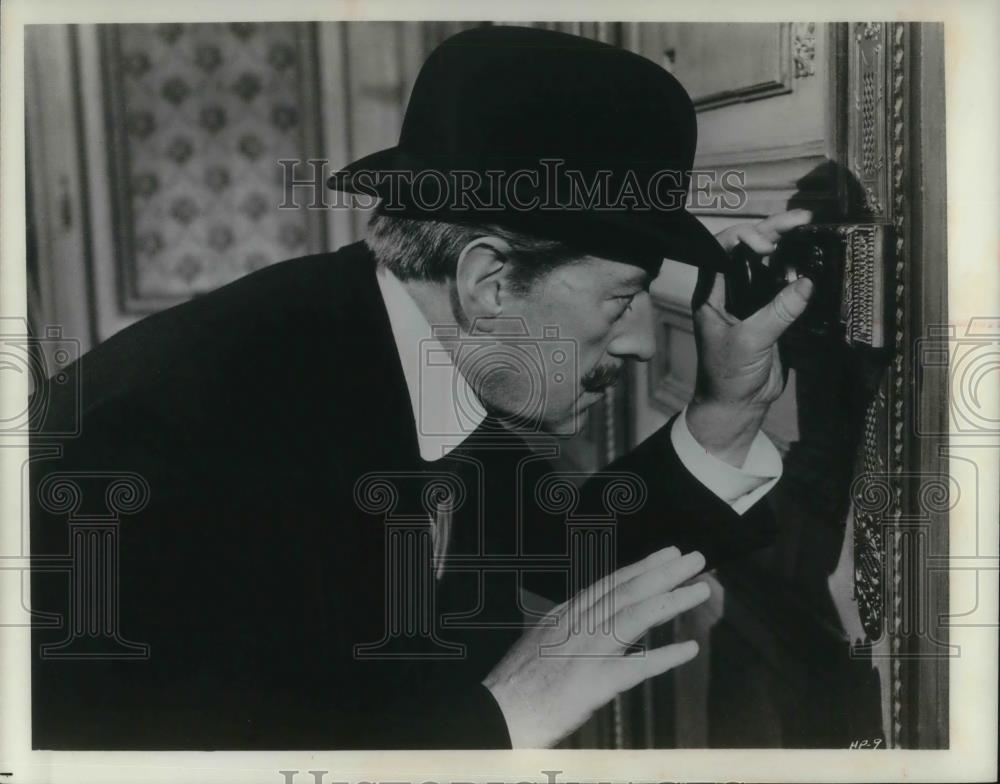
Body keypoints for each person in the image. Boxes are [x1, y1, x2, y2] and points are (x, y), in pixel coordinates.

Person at [30, 25, 814, 750]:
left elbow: (558, 550)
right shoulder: (169, 442)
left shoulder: (403, 341)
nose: (646, 340)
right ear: (488, 281)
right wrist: (502, 718)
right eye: (621, 299)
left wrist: (727, 408)